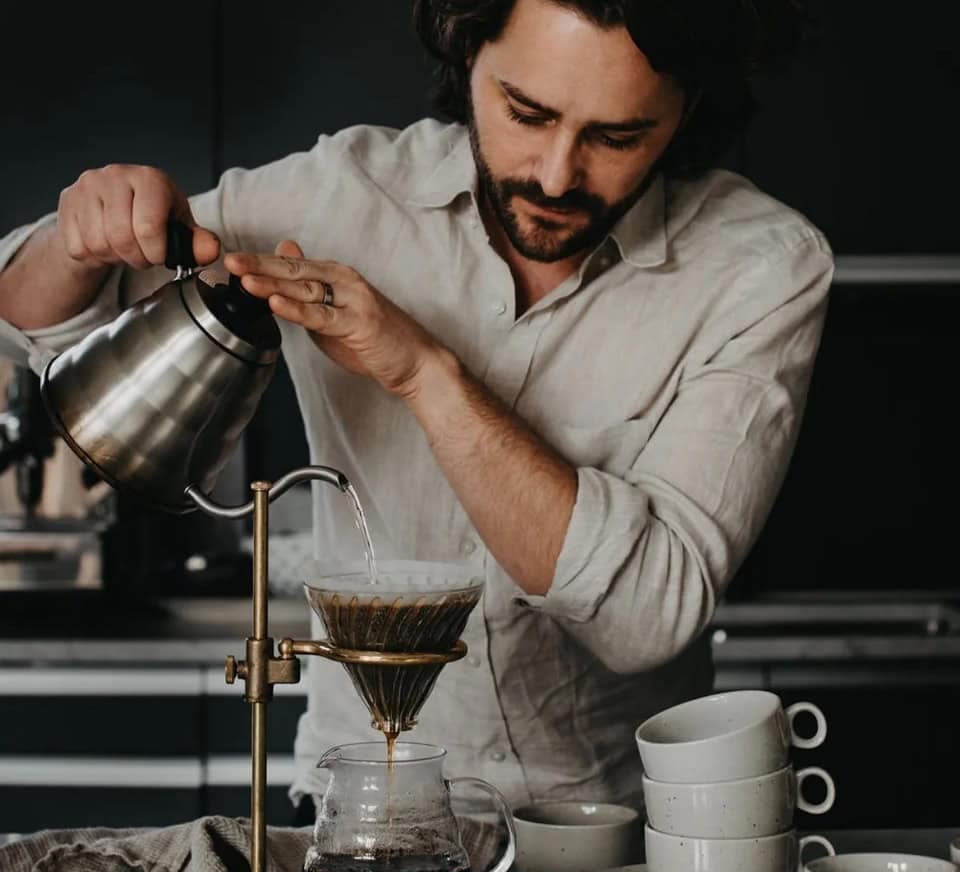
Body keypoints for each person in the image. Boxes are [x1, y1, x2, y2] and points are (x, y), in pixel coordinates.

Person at [0, 0, 832, 825]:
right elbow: (35, 318)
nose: (554, 175)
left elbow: (646, 616)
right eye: (526, 111)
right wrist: (83, 230)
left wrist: (424, 371)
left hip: (623, 840)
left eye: (617, 137)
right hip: (361, 812)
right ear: (467, 50)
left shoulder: (759, 267)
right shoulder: (341, 198)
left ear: (688, 107)